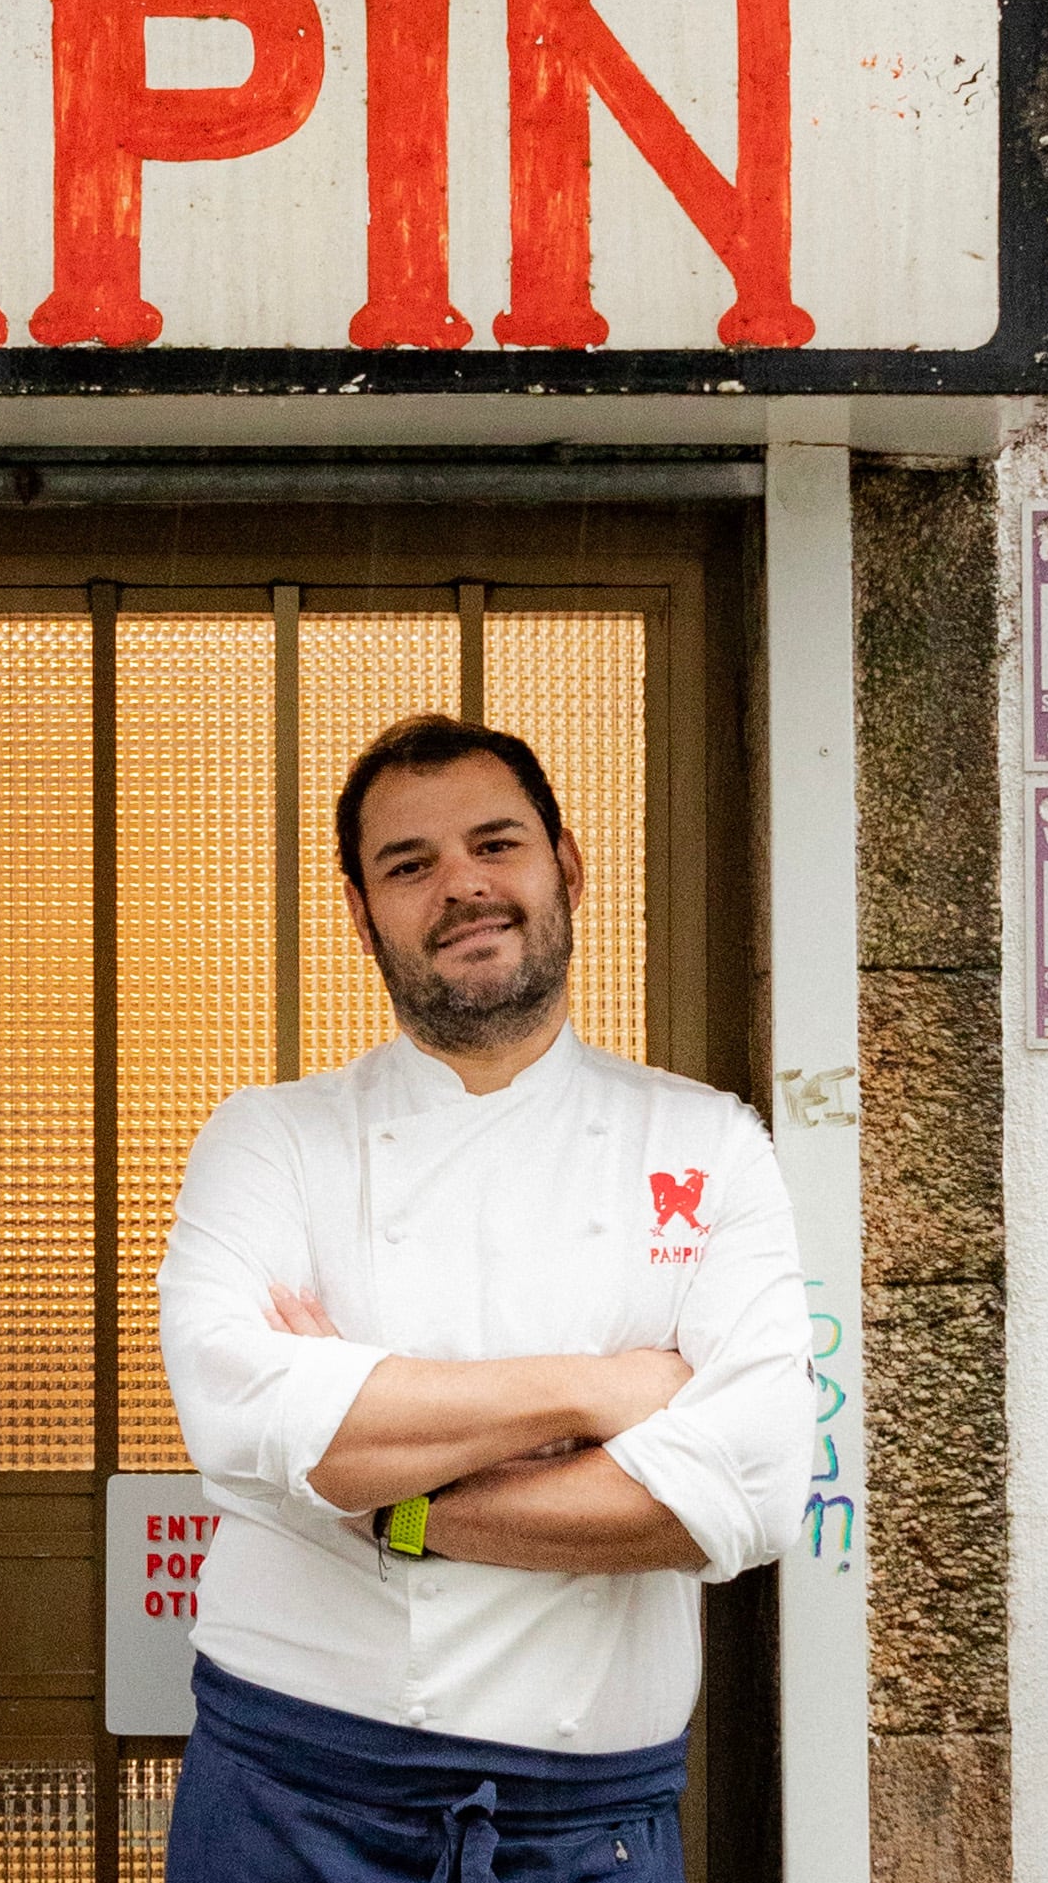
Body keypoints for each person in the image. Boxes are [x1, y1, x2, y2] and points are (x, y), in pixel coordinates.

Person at [157, 714, 814, 1883]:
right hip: (290, 1783)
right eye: (408, 865)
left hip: (587, 1813)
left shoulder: (705, 1139)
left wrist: (383, 1498)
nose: (461, 885)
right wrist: (602, 1388)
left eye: (493, 843)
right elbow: (240, 1413)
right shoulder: (271, 1139)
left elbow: (752, 1484)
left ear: (565, 864)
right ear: (362, 914)